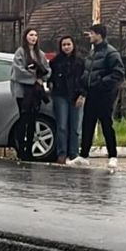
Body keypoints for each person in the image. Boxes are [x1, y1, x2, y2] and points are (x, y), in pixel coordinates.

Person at [72, 24, 125, 169]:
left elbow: (118, 74)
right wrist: (83, 89)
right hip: (91, 93)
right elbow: (87, 73)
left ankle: (112, 156)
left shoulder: (111, 53)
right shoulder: (93, 52)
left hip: (105, 95)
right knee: (88, 123)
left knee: (106, 124)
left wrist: (101, 83)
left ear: (99, 35)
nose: (89, 36)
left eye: (92, 33)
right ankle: (84, 155)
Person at [10, 28, 51, 160]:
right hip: (22, 92)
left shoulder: (41, 54)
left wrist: (41, 78)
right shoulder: (20, 52)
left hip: (36, 93)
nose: (33, 37)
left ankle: (30, 150)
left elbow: (48, 70)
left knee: (33, 121)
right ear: (25, 37)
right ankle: (21, 149)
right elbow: (17, 71)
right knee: (23, 119)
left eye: (35, 35)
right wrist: (33, 78)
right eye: (31, 35)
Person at [49, 36, 85, 164]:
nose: (66, 47)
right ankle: (62, 153)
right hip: (60, 96)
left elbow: (84, 80)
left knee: (75, 127)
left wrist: (82, 95)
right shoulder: (55, 62)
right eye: (64, 45)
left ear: (73, 45)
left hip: (76, 96)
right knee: (62, 126)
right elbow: (50, 78)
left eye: (68, 44)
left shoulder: (80, 62)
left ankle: (74, 153)